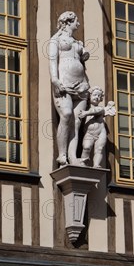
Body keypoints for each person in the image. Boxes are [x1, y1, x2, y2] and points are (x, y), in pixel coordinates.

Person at [48, 11, 90, 165]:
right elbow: (53, 61)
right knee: (66, 114)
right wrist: (55, 80)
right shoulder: (56, 40)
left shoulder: (77, 42)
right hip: (64, 83)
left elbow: (82, 59)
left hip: (81, 84)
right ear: (67, 22)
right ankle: (62, 155)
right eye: (76, 20)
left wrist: (84, 53)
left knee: (77, 122)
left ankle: (73, 157)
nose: (78, 23)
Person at [77, 87, 115, 168]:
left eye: (99, 96)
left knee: (99, 149)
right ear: (89, 96)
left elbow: (97, 111)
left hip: (101, 132)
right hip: (89, 133)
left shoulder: (100, 108)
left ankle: (96, 165)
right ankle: (83, 163)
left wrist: (86, 113)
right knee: (86, 147)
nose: (97, 97)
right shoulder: (84, 108)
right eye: (94, 95)